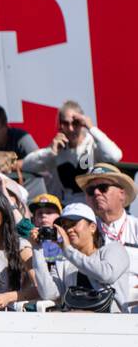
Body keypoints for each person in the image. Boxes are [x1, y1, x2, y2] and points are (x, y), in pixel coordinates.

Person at [29, 203, 129, 312]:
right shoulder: (63, 262)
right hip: (74, 324)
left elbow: (106, 274)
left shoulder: (114, 249)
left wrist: (68, 251)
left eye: (73, 224)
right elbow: (49, 294)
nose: (69, 230)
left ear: (92, 227)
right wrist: (37, 249)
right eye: (65, 226)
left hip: (112, 323)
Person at [21, 102, 123, 202]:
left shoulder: (92, 144)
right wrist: (50, 151)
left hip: (91, 208)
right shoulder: (57, 149)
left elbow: (115, 155)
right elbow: (27, 165)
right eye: (66, 123)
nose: (71, 129)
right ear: (60, 125)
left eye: (75, 123)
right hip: (65, 208)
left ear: (83, 123)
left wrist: (92, 128)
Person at [75, 164, 138, 310]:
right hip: (93, 304)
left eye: (103, 188)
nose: (96, 193)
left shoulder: (135, 227)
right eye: (90, 190)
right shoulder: (81, 231)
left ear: (121, 194)